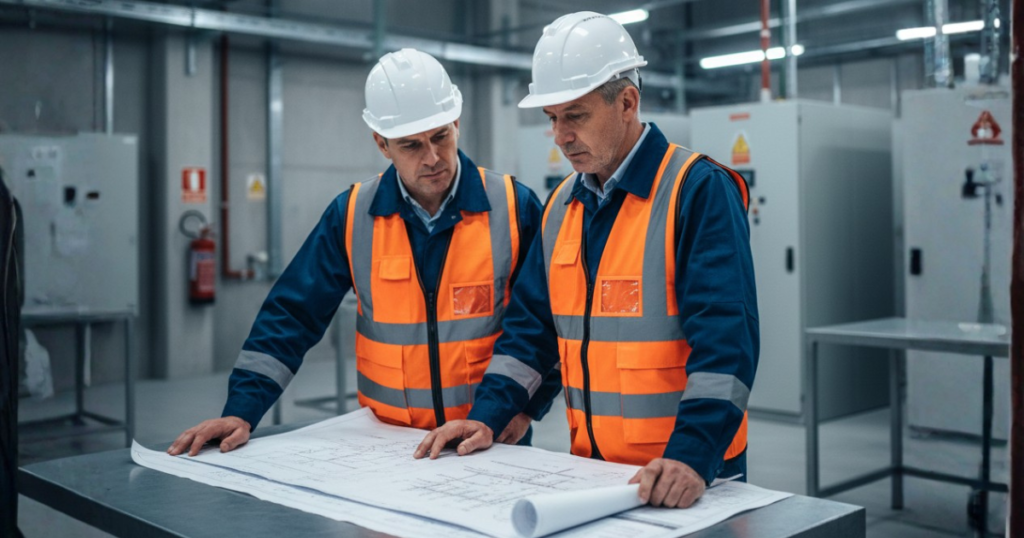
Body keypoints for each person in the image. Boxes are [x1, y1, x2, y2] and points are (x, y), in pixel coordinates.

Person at [415, 12, 758, 510]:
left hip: (690, 476)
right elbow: (531, 334)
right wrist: (489, 415)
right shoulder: (561, 208)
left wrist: (693, 455)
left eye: (574, 115)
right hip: (593, 472)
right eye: (552, 118)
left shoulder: (697, 189)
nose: (560, 135)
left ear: (626, 102)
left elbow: (727, 343)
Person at [168, 48, 561, 457]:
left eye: (441, 136)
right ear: (382, 143)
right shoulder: (352, 215)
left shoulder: (514, 207)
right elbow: (291, 314)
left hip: (489, 436)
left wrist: (523, 409)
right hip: (388, 448)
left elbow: (548, 319)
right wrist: (242, 411)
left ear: (457, 122)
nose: (432, 158)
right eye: (410, 145)